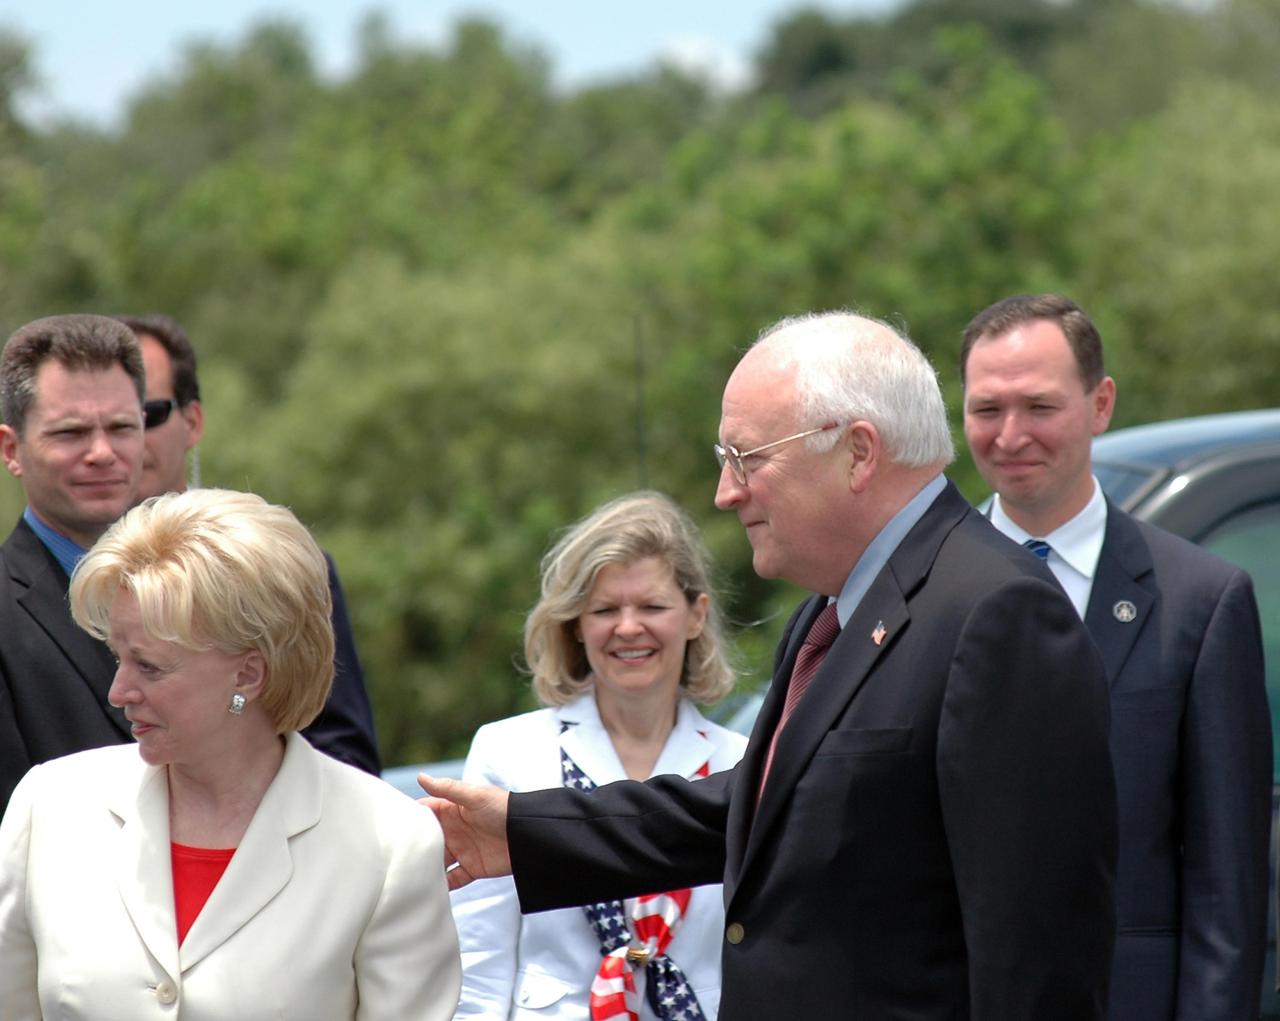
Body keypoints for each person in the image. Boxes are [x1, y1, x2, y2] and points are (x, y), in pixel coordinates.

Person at [423, 311, 1119, 1019]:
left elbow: (1039, 959)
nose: (727, 492)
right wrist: (520, 830)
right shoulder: (831, 611)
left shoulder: (996, 614)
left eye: (746, 457)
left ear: (857, 452)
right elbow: (761, 810)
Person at [0, 488, 461, 1019]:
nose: (118, 691)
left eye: (149, 666)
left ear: (249, 672)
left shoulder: (391, 845)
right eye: (116, 658)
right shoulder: (50, 804)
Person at [960, 292, 1272, 1021]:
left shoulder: (1201, 601)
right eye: (986, 410)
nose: (1011, 435)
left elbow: (1225, 887)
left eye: (1040, 407)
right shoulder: (917, 592)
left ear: (1100, 404)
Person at [452, 491, 747, 1020]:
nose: (628, 627)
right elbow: (478, 957)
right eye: (606, 609)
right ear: (575, 625)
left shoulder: (742, 764)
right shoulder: (508, 754)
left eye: (652, 606)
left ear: (696, 615)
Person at [116, 313, 382, 775]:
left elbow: (345, 756)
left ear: (192, 421)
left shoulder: (275, 572)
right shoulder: (44, 586)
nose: (121, 441)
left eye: (144, 416)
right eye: (89, 425)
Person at [0, 313, 146, 815]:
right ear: (10, 448)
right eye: (71, 433)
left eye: (122, 427)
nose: (102, 452)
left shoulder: (204, 590)